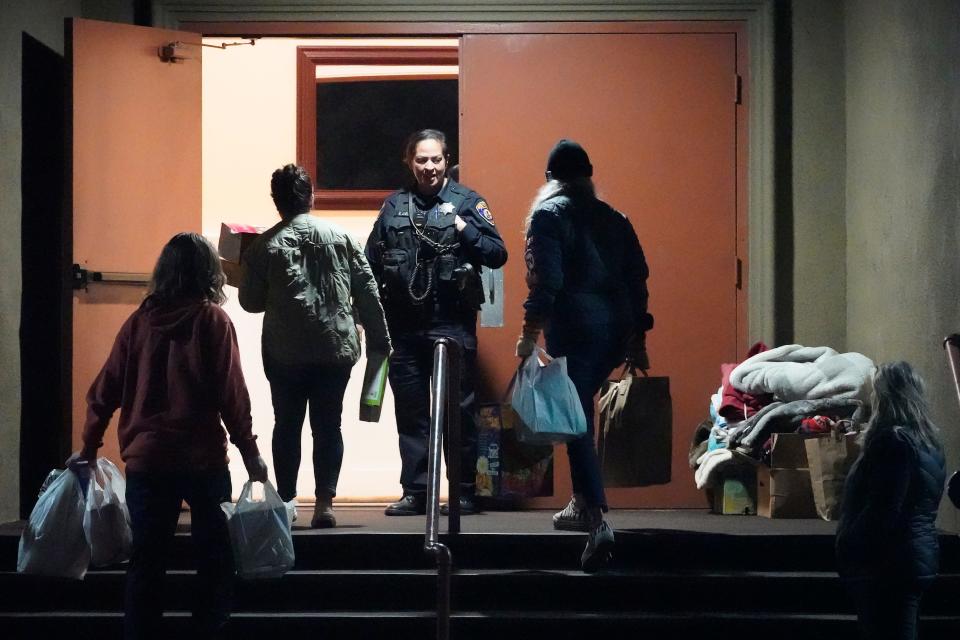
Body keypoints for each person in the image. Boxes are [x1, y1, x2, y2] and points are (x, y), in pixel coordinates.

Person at [68, 232, 268, 640]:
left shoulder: (138, 323)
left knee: (147, 560)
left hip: (148, 459)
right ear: (207, 271)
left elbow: (103, 392)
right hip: (202, 458)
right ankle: (208, 629)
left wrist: (88, 447)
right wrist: (251, 454)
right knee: (213, 557)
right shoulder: (212, 321)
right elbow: (232, 396)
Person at [516, 139, 653, 572]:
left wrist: (528, 332)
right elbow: (637, 280)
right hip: (614, 330)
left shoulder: (547, 215)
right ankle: (580, 501)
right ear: (589, 176)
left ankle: (596, 521)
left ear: (550, 179)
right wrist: (637, 339)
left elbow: (547, 280)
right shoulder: (615, 218)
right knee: (581, 413)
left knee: (574, 422)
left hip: (574, 327)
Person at [240, 164, 390, 528]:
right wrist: (380, 341)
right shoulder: (341, 237)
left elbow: (251, 302)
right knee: (328, 425)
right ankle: (324, 504)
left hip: (284, 351)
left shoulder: (264, 245)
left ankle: (288, 503)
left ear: (276, 201)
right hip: (334, 348)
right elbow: (367, 291)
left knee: (286, 425)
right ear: (311, 197)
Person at [366, 129, 508, 516]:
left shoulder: (468, 202)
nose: (429, 167)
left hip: (452, 328)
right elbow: (370, 263)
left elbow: (498, 254)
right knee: (411, 415)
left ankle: (463, 491)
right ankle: (416, 492)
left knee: (458, 414)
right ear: (410, 162)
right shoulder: (394, 206)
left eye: (436, 160)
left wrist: (465, 230)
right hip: (405, 331)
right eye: (421, 160)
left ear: (447, 161)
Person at [836, 361, 946, 640]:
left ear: (885, 397)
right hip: (915, 553)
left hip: (887, 562)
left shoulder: (893, 442)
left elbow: (882, 509)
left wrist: (851, 545)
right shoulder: (930, 443)